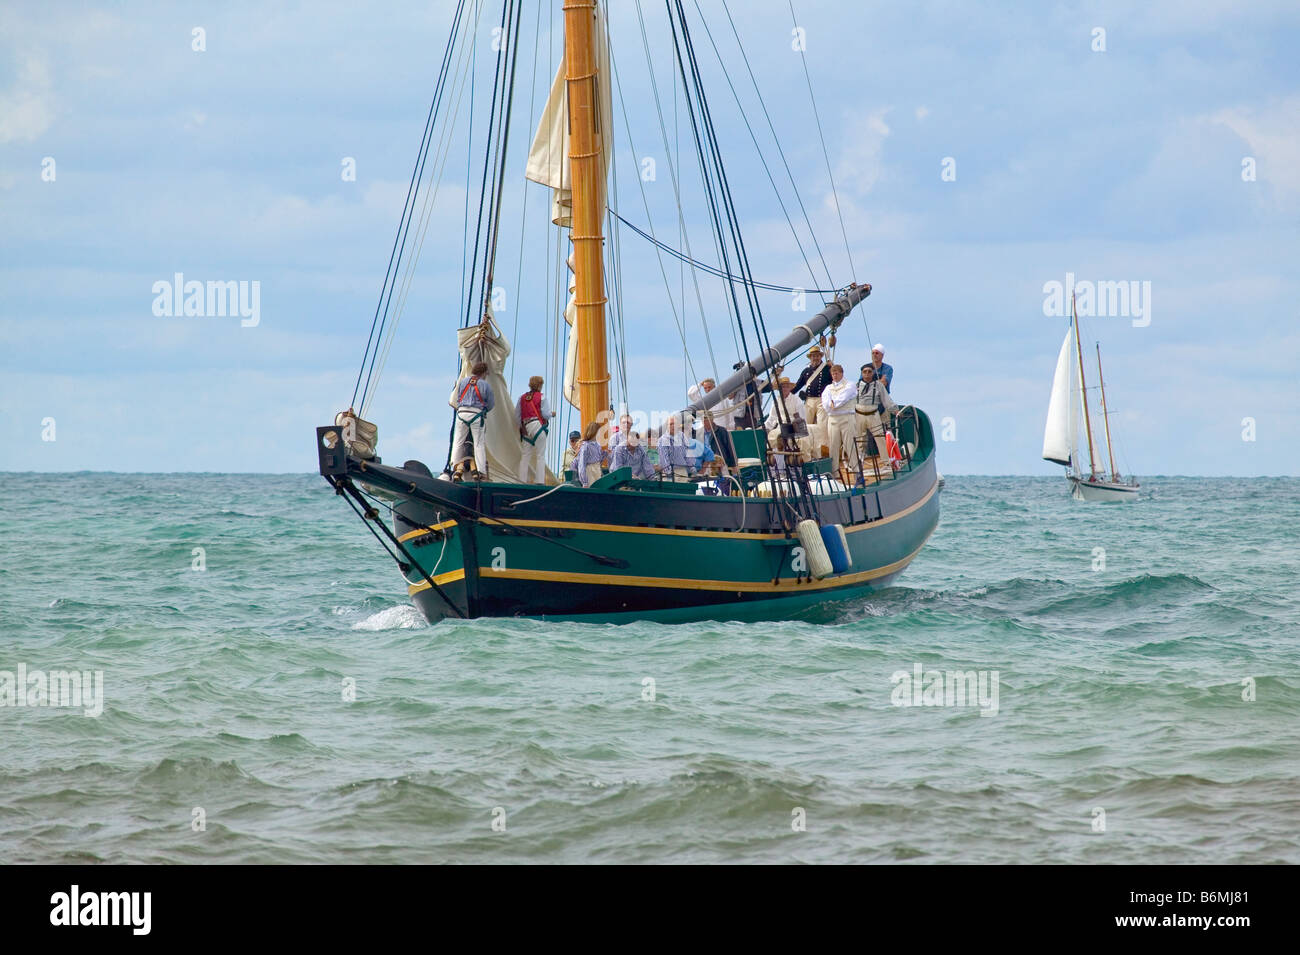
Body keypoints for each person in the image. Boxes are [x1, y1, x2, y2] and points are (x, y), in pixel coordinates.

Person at [449, 360, 494, 482]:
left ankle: (453, 467)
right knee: (479, 444)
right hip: (476, 414)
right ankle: (481, 472)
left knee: (458, 442)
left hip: (462, 414)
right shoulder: (485, 385)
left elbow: (458, 398)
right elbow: (491, 404)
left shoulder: (463, 381)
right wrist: (484, 409)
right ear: (484, 372)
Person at [820, 364, 860, 478]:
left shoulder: (850, 385)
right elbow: (825, 402)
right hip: (833, 419)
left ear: (842, 373)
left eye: (837, 373)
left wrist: (833, 403)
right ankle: (835, 473)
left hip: (847, 417)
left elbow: (844, 397)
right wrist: (830, 405)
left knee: (850, 445)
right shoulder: (828, 388)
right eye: (833, 373)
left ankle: (856, 471)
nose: (835, 375)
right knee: (833, 446)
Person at [792, 345, 831, 455]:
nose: (815, 358)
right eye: (813, 356)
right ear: (810, 358)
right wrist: (787, 395)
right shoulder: (806, 371)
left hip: (821, 401)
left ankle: (824, 449)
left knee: (822, 425)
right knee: (806, 425)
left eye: (817, 356)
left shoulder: (827, 369)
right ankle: (806, 448)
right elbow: (798, 385)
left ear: (820, 356)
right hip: (809, 401)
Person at [517, 375, 555, 484]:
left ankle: (522, 480)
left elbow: (517, 415)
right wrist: (552, 414)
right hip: (537, 426)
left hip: (526, 427)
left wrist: (521, 427)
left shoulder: (522, 397)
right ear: (540, 385)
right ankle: (539, 480)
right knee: (540, 455)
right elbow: (546, 415)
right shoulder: (541, 397)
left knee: (525, 455)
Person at [765, 376, 810, 468]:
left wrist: (796, 426)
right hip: (780, 427)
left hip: (794, 427)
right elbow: (772, 417)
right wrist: (765, 428)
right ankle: (776, 465)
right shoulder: (776, 401)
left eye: (786, 386)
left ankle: (805, 464)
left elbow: (802, 418)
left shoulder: (797, 400)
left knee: (803, 441)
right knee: (770, 438)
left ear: (790, 388)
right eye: (782, 387)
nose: (784, 389)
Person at [856, 364, 898, 462]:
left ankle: (886, 461)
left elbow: (886, 399)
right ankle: (859, 462)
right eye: (864, 372)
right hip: (859, 415)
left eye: (869, 372)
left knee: (880, 438)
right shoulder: (856, 386)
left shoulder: (878, 385)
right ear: (861, 373)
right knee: (860, 440)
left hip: (873, 414)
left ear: (873, 373)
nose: (867, 374)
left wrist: (895, 410)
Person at [656, 414, 694, 481]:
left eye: (675, 424)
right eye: (671, 424)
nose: (673, 426)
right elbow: (664, 460)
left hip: (683, 472)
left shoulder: (683, 436)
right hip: (669, 474)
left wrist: (690, 468)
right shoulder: (662, 440)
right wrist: (669, 473)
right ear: (667, 426)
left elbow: (689, 453)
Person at [572, 420, 609, 487]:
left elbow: (599, 459)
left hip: (597, 471)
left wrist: (605, 454)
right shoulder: (585, 446)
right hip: (590, 472)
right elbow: (582, 465)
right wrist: (584, 482)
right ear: (594, 432)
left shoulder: (597, 445)